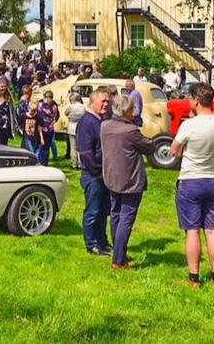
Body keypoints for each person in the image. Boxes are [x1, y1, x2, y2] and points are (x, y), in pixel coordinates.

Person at [170, 83, 214, 287]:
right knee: (211, 229)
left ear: (195, 100)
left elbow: (174, 150)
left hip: (191, 179)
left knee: (192, 230)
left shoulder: (189, 125)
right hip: (212, 178)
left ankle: (194, 277)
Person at [101, 94, 156, 270]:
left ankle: (119, 253)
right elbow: (150, 147)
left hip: (111, 177)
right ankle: (118, 259)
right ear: (125, 111)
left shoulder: (105, 126)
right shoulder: (130, 131)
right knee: (126, 218)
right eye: (132, 109)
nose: (134, 112)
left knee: (115, 214)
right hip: (130, 180)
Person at [77, 88, 111, 256]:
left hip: (103, 175)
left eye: (107, 101)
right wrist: (97, 172)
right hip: (93, 176)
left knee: (104, 211)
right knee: (93, 210)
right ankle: (91, 244)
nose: (106, 104)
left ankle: (102, 241)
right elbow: (85, 153)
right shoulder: (87, 121)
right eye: (103, 101)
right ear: (92, 102)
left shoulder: (100, 120)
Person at [37, 90, 60, 165]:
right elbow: (57, 116)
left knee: (40, 146)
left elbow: (37, 114)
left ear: (45, 97)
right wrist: (52, 122)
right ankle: (45, 163)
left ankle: (40, 162)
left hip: (42, 127)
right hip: (50, 128)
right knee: (47, 147)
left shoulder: (41, 105)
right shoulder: (54, 106)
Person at [65, 93, 86, 169]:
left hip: (71, 127)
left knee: (73, 147)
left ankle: (74, 164)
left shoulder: (71, 107)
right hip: (80, 127)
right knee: (80, 147)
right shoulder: (83, 107)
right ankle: (81, 163)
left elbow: (65, 113)